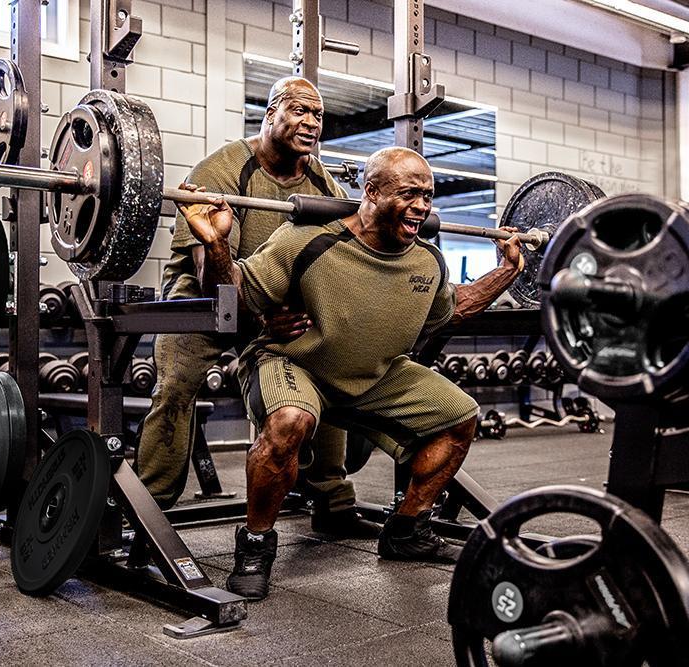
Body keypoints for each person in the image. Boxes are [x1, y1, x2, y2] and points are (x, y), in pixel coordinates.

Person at [178, 145, 525, 600]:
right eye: (409, 194)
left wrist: (506, 272)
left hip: (372, 375)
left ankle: (406, 529)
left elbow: (452, 308)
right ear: (371, 191)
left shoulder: (427, 261)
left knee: (459, 416)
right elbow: (238, 302)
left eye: (428, 196)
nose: (422, 206)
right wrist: (217, 243)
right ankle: (256, 545)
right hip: (292, 361)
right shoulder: (305, 240)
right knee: (289, 423)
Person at [137, 76, 378, 538]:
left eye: (318, 115)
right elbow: (212, 273)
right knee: (175, 383)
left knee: (324, 365)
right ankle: (151, 506)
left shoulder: (321, 183)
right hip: (203, 297)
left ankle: (331, 500)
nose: (311, 122)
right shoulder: (222, 171)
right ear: (270, 115)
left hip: (273, 301)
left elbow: (332, 262)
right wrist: (265, 318)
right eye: (299, 110)